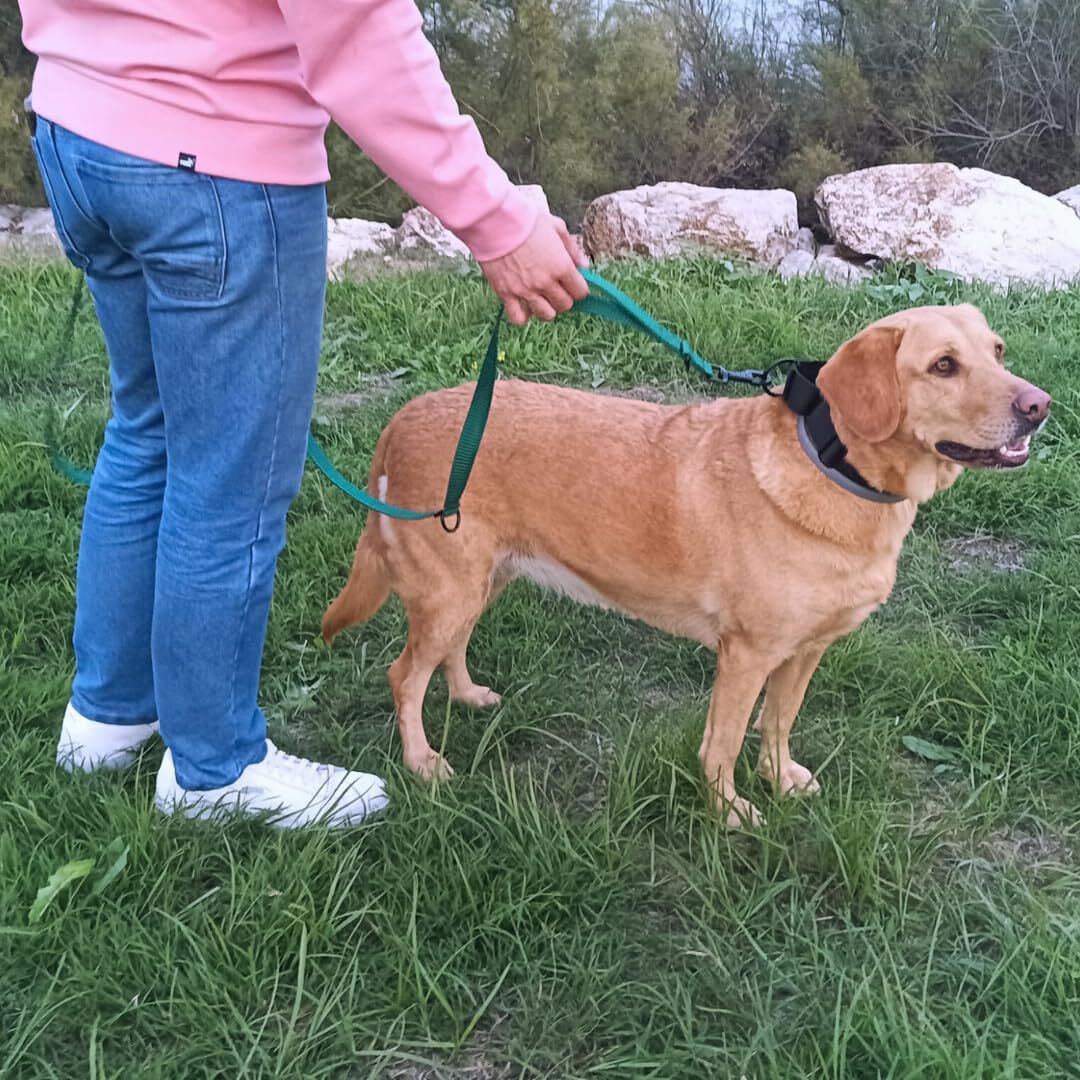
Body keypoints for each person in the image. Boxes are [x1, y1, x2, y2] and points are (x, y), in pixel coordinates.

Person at [18, 0, 589, 828]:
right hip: (211, 160)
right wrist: (496, 220)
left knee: (150, 433)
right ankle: (212, 769)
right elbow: (355, 28)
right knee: (230, 481)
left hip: (79, 129)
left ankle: (106, 718)